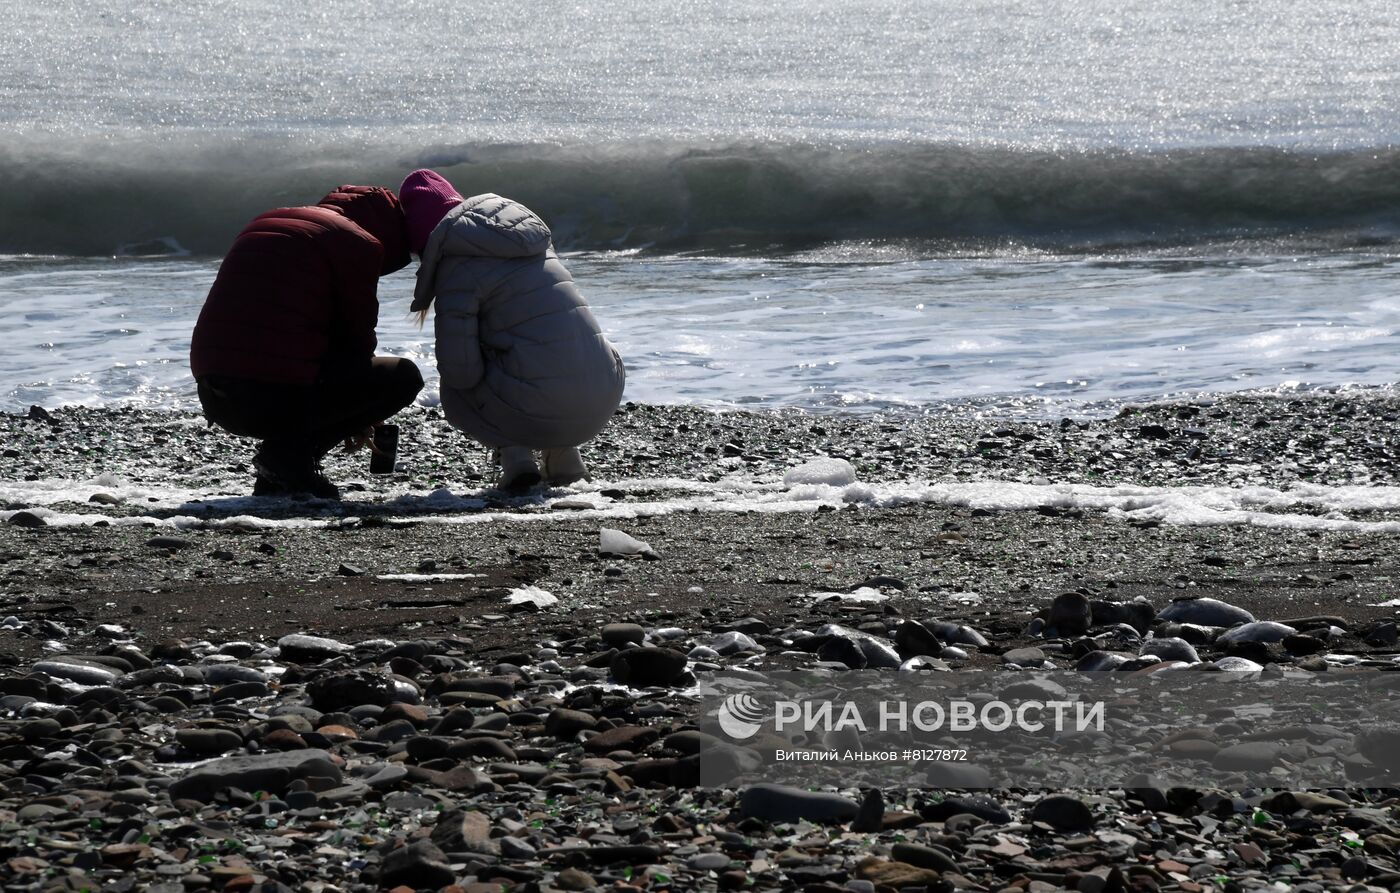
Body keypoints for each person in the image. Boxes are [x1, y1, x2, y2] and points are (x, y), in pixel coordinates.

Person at [189, 185, 424, 498]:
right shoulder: (357, 243)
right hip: (268, 398)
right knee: (402, 377)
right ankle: (287, 459)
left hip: (214, 395)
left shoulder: (267, 222)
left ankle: (279, 472)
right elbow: (356, 343)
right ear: (389, 229)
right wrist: (361, 413)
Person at [398, 169, 625, 490]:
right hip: (605, 391)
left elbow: (460, 372)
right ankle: (564, 459)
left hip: (539, 403)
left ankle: (517, 461)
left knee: (459, 381)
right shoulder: (532, 242)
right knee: (544, 348)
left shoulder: (456, 266)